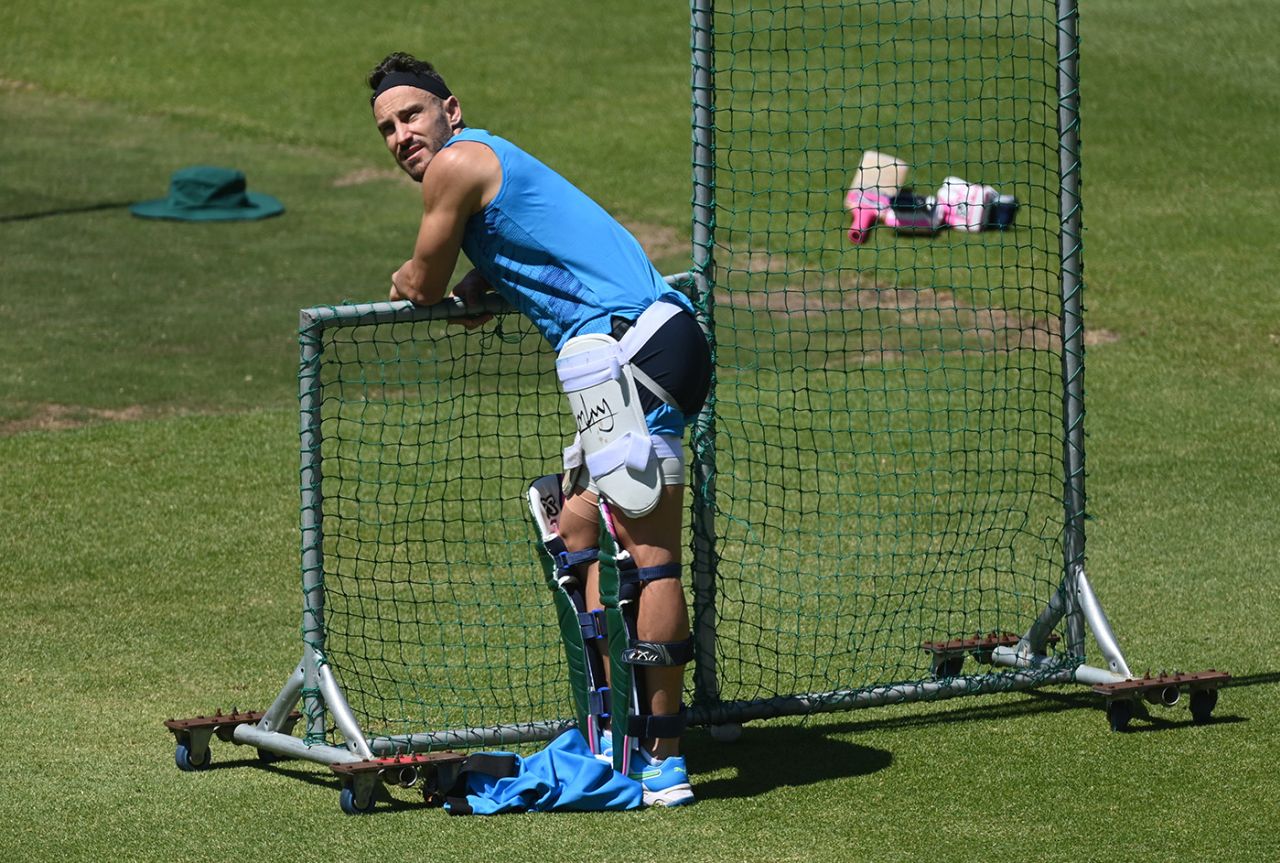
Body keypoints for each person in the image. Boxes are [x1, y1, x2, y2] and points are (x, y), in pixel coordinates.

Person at [368, 52, 711, 807]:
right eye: (387, 128)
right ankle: (614, 730)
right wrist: (486, 279)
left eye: (411, 116)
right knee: (581, 525)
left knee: (653, 562)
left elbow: (420, 285)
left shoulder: (455, 166)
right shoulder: (490, 159)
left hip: (626, 350)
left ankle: (665, 759)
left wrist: (417, 282)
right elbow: (542, 240)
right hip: (648, 345)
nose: (400, 136)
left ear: (449, 111)